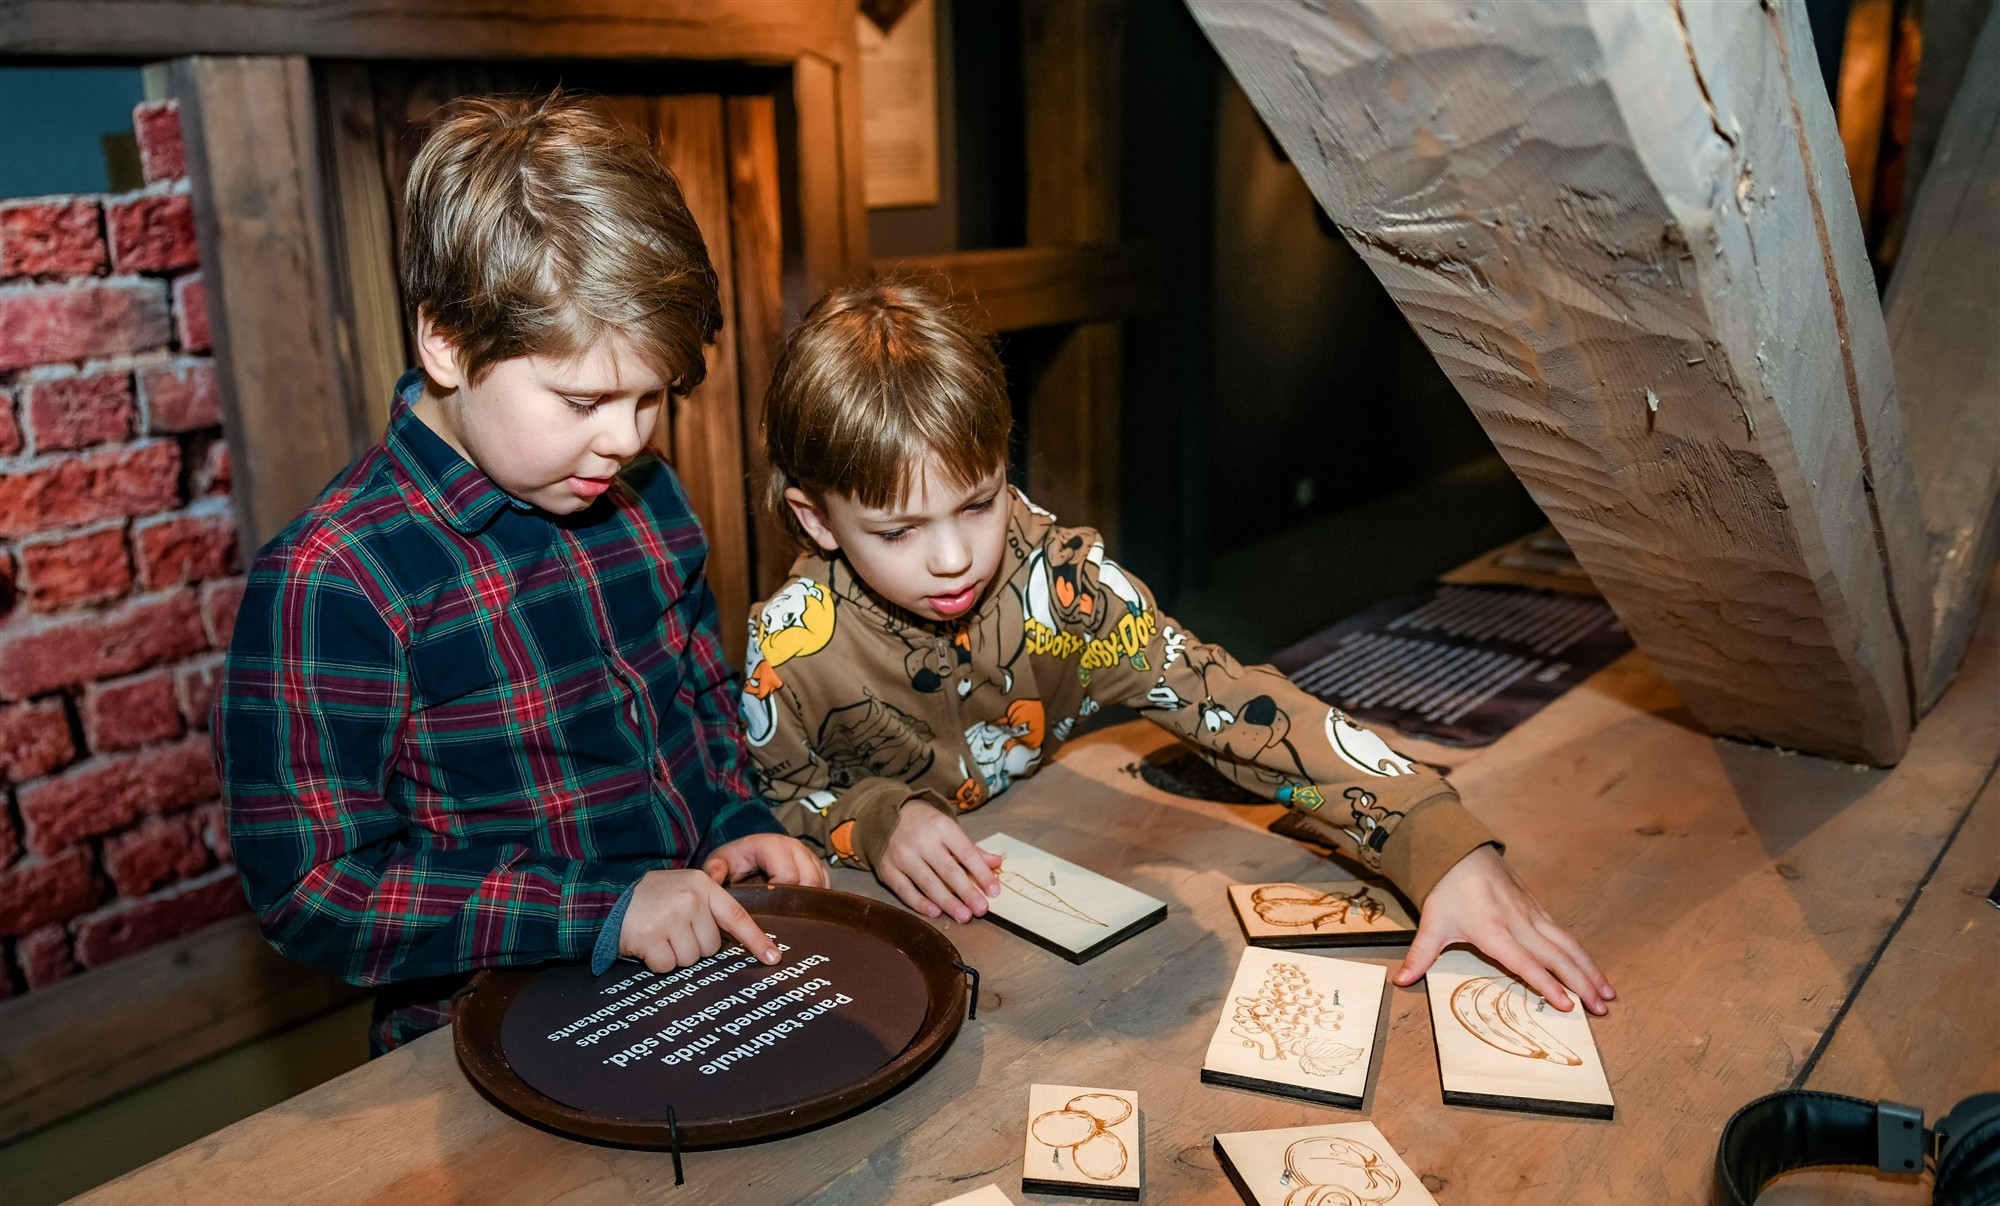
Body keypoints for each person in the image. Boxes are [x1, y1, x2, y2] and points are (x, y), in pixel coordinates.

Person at [740, 279, 1613, 1013]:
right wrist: (875, 819)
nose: (954, 556)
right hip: (904, 964)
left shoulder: (1063, 588)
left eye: (979, 502)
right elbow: (766, 804)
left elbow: (1228, 701)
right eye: (897, 530)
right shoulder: (788, 653)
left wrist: (1436, 841)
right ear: (816, 518)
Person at [214, 94, 823, 1053]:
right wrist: (599, 911)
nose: (625, 438)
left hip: (702, 983)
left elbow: (697, 700)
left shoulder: (644, 493)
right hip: (482, 1037)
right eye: (583, 398)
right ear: (446, 341)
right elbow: (314, 891)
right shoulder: (333, 579)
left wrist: (735, 816)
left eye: (651, 396)